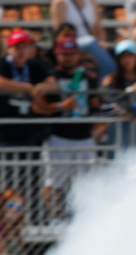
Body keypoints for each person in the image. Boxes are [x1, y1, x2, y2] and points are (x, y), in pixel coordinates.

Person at [34, 35, 103, 211]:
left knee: (87, 182)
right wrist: (59, 105)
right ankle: (53, 217)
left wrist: (120, 110)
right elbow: (37, 107)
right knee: (54, 182)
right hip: (59, 137)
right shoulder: (51, 77)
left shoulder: (87, 77)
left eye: (72, 53)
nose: (69, 57)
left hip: (84, 138)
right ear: (57, 55)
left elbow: (97, 104)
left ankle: (84, 217)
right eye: (64, 54)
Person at [0, 28, 52, 147]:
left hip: (28, 132)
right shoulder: (0, 63)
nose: (21, 51)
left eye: (24, 47)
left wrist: (43, 87)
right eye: (17, 47)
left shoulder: (34, 64)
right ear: (8, 49)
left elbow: (53, 83)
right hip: (4, 133)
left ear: (31, 49)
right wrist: (28, 88)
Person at [50, 0, 115, 78]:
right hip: (70, 46)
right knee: (90, 42)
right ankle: (111, 75)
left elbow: (99, 28)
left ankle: (102, 87)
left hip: (91, 45)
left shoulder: (90, 0)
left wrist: (102, 42)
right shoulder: (60, 3)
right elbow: (61, 34)